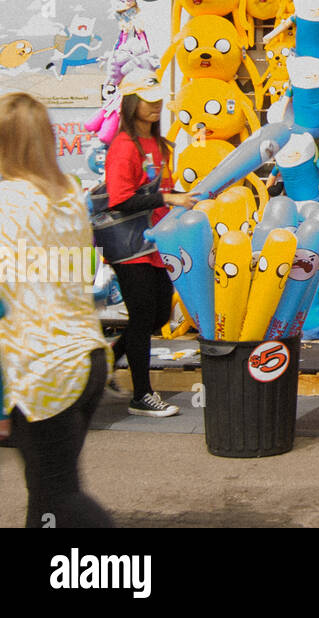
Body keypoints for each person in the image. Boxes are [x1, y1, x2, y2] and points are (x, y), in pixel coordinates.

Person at [0, 92, 114, 527]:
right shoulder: (68, 197)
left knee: (58, 494)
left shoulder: (7, 201)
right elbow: (80, 271)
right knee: (45, 493)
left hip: (39, 367)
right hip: (86, 355)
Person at [103, 73, 195, 416]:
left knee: (157, 315)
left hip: (156, 243)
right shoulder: (124, 146)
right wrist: (167, 197)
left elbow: (161, 191)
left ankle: (104, 363)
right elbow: (120, 199)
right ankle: (141, 394)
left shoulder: (160, 144)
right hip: (130, 247)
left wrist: (185, 198)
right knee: (143, 316)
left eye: (157, 98)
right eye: (147, 98)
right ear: (131, 103)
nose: (155, 104)